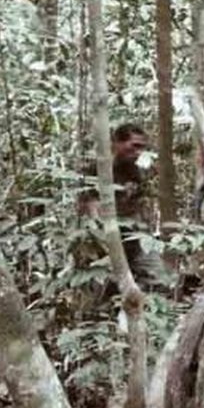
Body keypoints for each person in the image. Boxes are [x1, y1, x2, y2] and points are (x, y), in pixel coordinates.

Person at [79, 123, 164, 288]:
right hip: (103, 241)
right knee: (106, 288)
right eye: (134, 146)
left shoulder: (132, 170)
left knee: (158, 279)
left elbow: (138, 205)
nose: (138, 152)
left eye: (142, 148)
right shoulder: (95, 169)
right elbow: (91, 210)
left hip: (132, 237)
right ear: (117, 142)